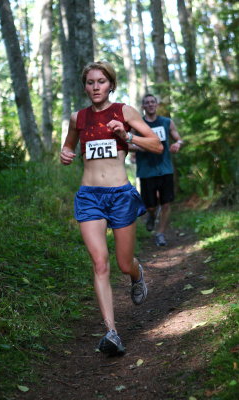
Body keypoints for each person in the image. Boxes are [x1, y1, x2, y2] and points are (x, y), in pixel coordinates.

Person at [60, 62, 163, 356]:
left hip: (120, 194)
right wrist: (65, 154)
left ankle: (136, 272)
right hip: (89, 195)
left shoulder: (125, 111)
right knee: (100, 263)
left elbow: (156, 145)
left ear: (110, 85)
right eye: (90, 82)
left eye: (101, 81)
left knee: (122, 262)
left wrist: (126, 136)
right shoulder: (77, 117)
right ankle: (111, 332)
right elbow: (69, 148)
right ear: (84, 86)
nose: (95, 87)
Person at [133, 94, 184, 247]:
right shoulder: (138, 124)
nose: (150, 105)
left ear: (157, 104)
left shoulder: (166, 122)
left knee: (166, 203)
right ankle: (151, 215)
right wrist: (142, 146)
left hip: (165, 168)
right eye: (146, 103)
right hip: (146, 170)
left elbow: (178, 138)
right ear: (143, 106)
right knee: (151, 205)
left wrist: (178, 144)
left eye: (152, 102)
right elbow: (128, 143)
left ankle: (160, 233)